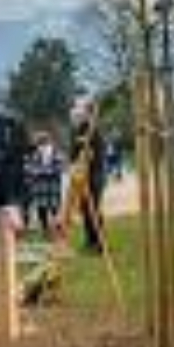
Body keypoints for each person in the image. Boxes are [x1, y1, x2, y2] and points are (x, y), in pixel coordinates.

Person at [70, 103, 107, 255]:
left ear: (82, 116)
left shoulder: (93, 131)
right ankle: (90, 240)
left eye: (76, 117)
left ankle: (99, 243)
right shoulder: (78, 131)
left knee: (93, 209)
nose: (74, 120)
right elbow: (73, 152)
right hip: (82, 174)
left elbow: (97, 153)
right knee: (84, 209)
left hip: (94, 175)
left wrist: (88, 152)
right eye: (73, 118)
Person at [24, 131, 64, 239]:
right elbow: (28, 167)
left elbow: (59, 169)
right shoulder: (35, 154)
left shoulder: (57, 152)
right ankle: (45, 230)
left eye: (43, 144)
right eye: (40, 145)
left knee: (54, 209)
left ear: (48, 143)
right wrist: (37, 171)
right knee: (41, 209)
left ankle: (57, 231)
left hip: (52, 187)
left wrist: (40, 171)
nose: (41, 147)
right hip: (40, 187)